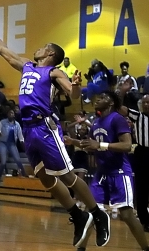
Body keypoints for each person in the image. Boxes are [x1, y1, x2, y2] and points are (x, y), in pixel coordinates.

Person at [0, 23, 110, 247]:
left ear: (50, 53)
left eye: (43, 47)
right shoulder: (27, 66)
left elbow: (73, 92)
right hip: (29, 129)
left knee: (68, 176)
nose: (38, 48)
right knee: (45, 177)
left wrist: (78, 86)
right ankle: (78, 216)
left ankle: (98, 214)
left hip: (45, 127)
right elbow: (3, 50)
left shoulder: (54, 72)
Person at [64, 91, 149, 251]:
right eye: (98, 97)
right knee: (92, 211)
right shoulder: (96, 122)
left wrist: (101, 146)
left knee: (126, 215)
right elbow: (90, 144)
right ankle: (81, 248)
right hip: (101, 175)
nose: (97, 99)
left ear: (111, 103)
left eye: (102, 98)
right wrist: (72, 141)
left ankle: (145, 247)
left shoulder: (117, 118)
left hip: (119, 172)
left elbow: (127, 145)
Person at [119, 94, 149, 233]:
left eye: (148, 102)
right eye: (144, 102)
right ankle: (145, 221)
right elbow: (120, 108)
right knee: (141, 187)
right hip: (142, 153)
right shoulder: (138, 116)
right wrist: (122, 93)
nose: (146, 105)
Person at [0, 109, 27, 181]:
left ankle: (24, 174)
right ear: (7, 115)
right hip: (3, 143)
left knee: (18, 160)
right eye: (9, 113)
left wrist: (22, 142)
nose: (11, 114)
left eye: (12, 113)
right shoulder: (2, 122)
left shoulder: (17, 124)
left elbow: (20, 135)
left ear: (14, 115)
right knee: (3, 162)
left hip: (12, 143)